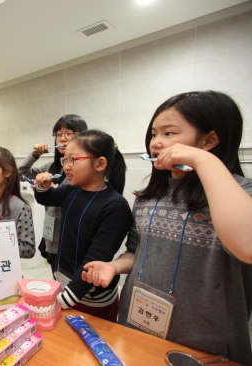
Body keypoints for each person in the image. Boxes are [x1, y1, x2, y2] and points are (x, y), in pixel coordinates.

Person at [81, 91, 252, 364]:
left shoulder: (241, 193)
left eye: (169, 133)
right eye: (153, 134)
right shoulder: (149, 195)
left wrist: (204, 161)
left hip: (206, 346)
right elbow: (135, 251)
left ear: (210, 140)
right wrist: (114, 266)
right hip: (137, 326)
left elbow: (247, 246)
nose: (156, 143)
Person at [33, 130, 132, 322]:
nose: (66, 166)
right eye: (65, 160)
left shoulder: (115, 206)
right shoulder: (72, 189)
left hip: (91, 297)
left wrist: (63, 300)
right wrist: (43, 185)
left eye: (73, 160)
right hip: (64, 285)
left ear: (100, 163)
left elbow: (95, 259)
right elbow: (46, 197)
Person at [18, 114, 88, 272]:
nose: (62, 139)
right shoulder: (50, 167)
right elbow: (19, 174)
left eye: (69, 133)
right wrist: (34, 155)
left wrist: (52, 190)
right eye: (58, 134)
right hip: (52, 237)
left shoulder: (85, 170)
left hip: (74, 240)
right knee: (56, 279)